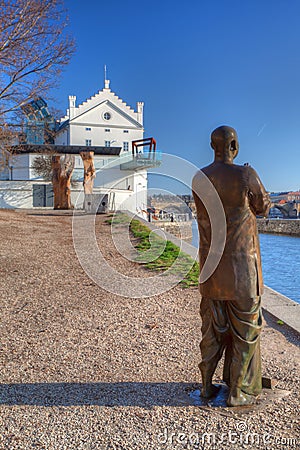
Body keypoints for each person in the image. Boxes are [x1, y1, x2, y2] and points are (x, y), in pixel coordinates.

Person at [192, 126, 270, 406]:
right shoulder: (246, 175)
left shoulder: (199, 178)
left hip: (211, 270)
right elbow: (262, 207)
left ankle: (205, 386)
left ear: (212, 146)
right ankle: (239, 392)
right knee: (246, 332)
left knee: (212, 331)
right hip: (242, 272)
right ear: (234, 145)